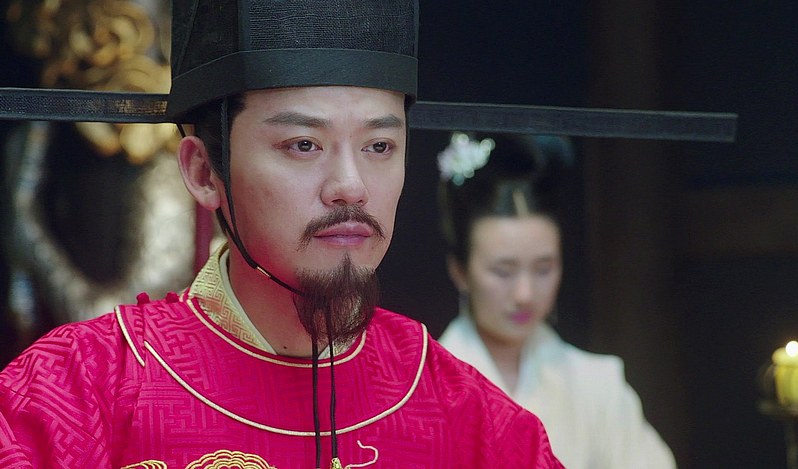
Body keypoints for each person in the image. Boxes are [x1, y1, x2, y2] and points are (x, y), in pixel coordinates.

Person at [0, 1, 564, 468]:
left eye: (379, 147)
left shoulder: (468, 417)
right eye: (303, 145)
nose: (350, 186)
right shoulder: (79, 390)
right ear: (204, 171)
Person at [436, 131, 676, 469]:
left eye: (543, 268)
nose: (524, 294)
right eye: (503, 271)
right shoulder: (425, 389)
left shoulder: (597, 385)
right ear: (460, 271)